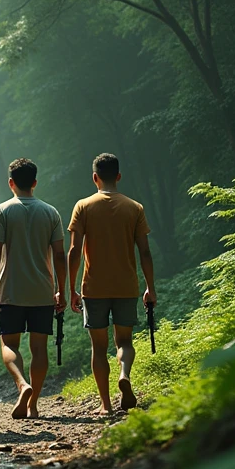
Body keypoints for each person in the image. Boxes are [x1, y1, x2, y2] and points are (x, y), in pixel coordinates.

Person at [67, 153, 156, 416]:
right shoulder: (134, 208)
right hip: (126, 286)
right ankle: (124, 374)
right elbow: (145, 253)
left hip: (94, 288)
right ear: (118, 176)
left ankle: (105, 405)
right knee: (124, 342)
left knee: (98, 347)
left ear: (95, 177)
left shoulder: (83, 206)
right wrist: (150, 287)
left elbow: (74, 250)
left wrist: (70, 287)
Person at [0, 158, 66, 420]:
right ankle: (33, 406)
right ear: (34, 182)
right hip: (43, 290)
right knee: (39, 348)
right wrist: (62, 290)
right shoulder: (51, 212)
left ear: (11, 183)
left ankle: (22, 384)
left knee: (9, 344)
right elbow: (59, 255)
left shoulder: (3, 211)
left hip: (11, 289)